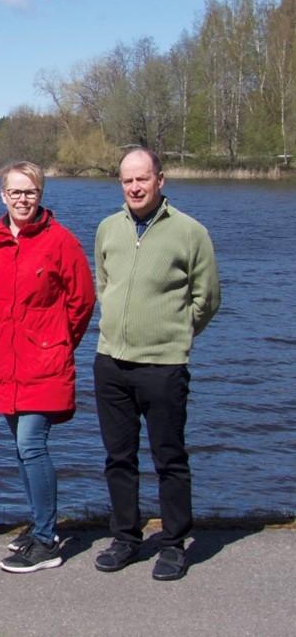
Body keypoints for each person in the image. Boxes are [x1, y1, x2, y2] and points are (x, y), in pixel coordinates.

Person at [92, 147, 220, 581]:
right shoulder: (108, 228)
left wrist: (177, 333)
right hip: (111, 362)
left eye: (142, 179)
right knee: (118, 457)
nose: (134, 187)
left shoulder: (190, 232)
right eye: (127, 180)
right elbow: (103, 283)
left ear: (160, 180)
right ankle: (126, 538)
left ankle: (172, 543)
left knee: (169, 457)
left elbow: (207, 297)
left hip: (163, 365)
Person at [0, 161, 95, 573]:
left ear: (40, 195)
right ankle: (40, 525)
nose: (22, 199)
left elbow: (82, 301)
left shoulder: (60, 241)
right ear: (2, 195)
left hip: (45, 361)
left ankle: (47, 541)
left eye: (30, 192)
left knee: (32, 444)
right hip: (5, 361)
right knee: (21, 450)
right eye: (15, 192)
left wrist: (56, 341)